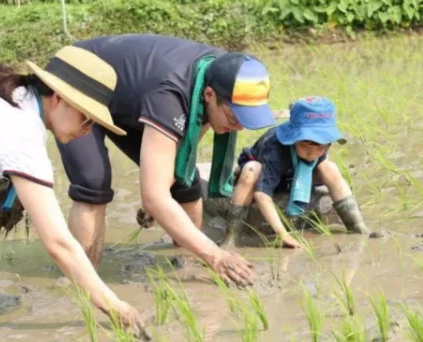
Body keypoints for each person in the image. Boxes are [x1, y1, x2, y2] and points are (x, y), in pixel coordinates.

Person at [0, 46, 148, 342]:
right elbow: (59, 244)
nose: (89, 130)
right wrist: (114, 305)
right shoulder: (21, 134)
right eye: (88, 118)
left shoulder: (11, 94)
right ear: (59, 99)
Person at [48, 33, 276, 287]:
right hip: (80, 79)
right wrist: (215, 254)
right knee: (93, 183)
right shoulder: (171, 95)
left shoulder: (224, 72)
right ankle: (83, 283)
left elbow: (185, 146)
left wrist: (161, 191)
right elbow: (154, 197)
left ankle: (187, 267)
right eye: (234, 119)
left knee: (184, 183)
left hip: (133, 95)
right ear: (210, 95)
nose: (239, 129)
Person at [221, 96, 371, 248]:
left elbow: (323, 165)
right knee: (251, 170)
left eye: (320, 148)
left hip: (293, 175)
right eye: (306, 147)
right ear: (293, 139)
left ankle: (357, 226)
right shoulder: (275, 149)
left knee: (330, 168)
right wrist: (283, 234)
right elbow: (261, 194)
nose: (312, 154)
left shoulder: (320, 147)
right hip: (265, 172)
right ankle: (231, 238)